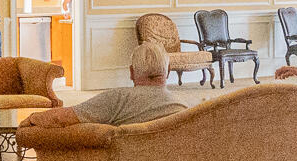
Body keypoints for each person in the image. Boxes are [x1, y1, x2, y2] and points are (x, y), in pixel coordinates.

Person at [24, 42, 184, 128]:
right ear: (168, 71)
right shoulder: (182, 108)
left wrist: (32, 119)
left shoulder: (118, 99)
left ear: (132, 72)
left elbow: (60, 118)